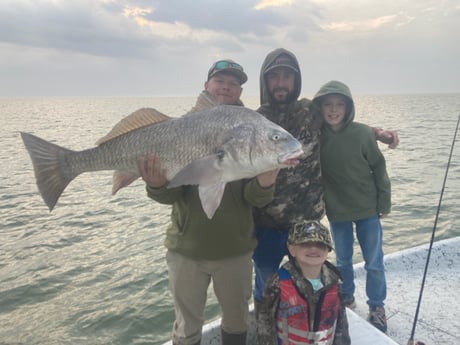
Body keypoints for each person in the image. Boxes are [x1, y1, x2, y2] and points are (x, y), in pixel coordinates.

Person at [138, 59, 280, 345]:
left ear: (240, 90)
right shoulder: (180, 128)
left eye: (233, 83)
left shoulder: (253, 129)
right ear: (206, 86)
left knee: (237, 319)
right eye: (220, 81)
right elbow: (171, 196)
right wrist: (155, 184)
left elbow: (252, 198)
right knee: (187, 325)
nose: (226, 87)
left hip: (235, 251)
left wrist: (267, 181)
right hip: (186, 251)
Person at [252, 48, 399, 312]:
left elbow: (343, 124)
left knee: (311, 291)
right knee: (266, 289)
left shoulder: (311, 111)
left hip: (307, 224)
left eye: (287, 76)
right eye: (275, 77)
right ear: (265, 81)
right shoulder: (255, 120)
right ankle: (267, 333)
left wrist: (377, 133)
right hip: (266, 224)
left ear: (296, 81)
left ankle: (311, 331)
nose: (281, 82)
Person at [312, 80, 391, 333]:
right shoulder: (316, 138)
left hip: (368, 209)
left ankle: (377, 306)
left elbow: (378, 167)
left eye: (339, 105)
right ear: (320, 108)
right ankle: (346, 297)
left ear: (348, 108)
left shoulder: (363, 133)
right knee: (343, 260)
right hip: (337, 212)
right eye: (328, 105)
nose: (333, 110)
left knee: (374, 262)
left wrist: (384, 201)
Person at [257, 220, 351, 345]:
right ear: (291, 249)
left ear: (328, 250)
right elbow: (265, 322)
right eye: (306, 244)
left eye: (320, 245)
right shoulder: (277, 283)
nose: (313, 248)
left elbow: (341, 324)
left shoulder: (334, 281)